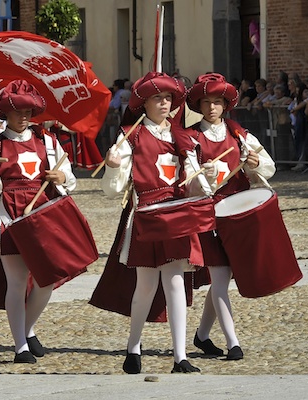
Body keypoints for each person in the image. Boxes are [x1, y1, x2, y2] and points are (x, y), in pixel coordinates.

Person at [90, 71, 204, 374]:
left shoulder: (184, 137)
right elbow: (112, 190)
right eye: (157, 97)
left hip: (177, 215)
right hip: (146, 214)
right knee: (146, 285)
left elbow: (196, 184)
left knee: (176, 281)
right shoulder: (131, 135)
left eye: (168, 98)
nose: (164, 103)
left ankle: (180, 356)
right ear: (145, 103)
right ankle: (134, 346)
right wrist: (113, 168)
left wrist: (208, 177)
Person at [0, 79, 86, 364]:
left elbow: (67, 175)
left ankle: (25, 329)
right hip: (9, 215)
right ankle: (20, 345)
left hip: (43, 214)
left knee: (47, 279)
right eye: (17, 111)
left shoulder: (47, 141)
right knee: (17, 281)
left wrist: (61, 178)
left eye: (27, 112)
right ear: (6, 114)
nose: (23, 117)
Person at [184, 72, 276, 361]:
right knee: (221, 277)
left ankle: (201, 335)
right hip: (209, 215)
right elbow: (187, 183)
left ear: (225, 105)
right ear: (199, 105)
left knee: (223, 279)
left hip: (239, 213)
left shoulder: (240, 135)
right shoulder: (191, 138)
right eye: (206, 102)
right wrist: (204, 177)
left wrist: (255, 162)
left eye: (217, 102)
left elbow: (268, 168)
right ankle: (234, 343)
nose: (212, 107)